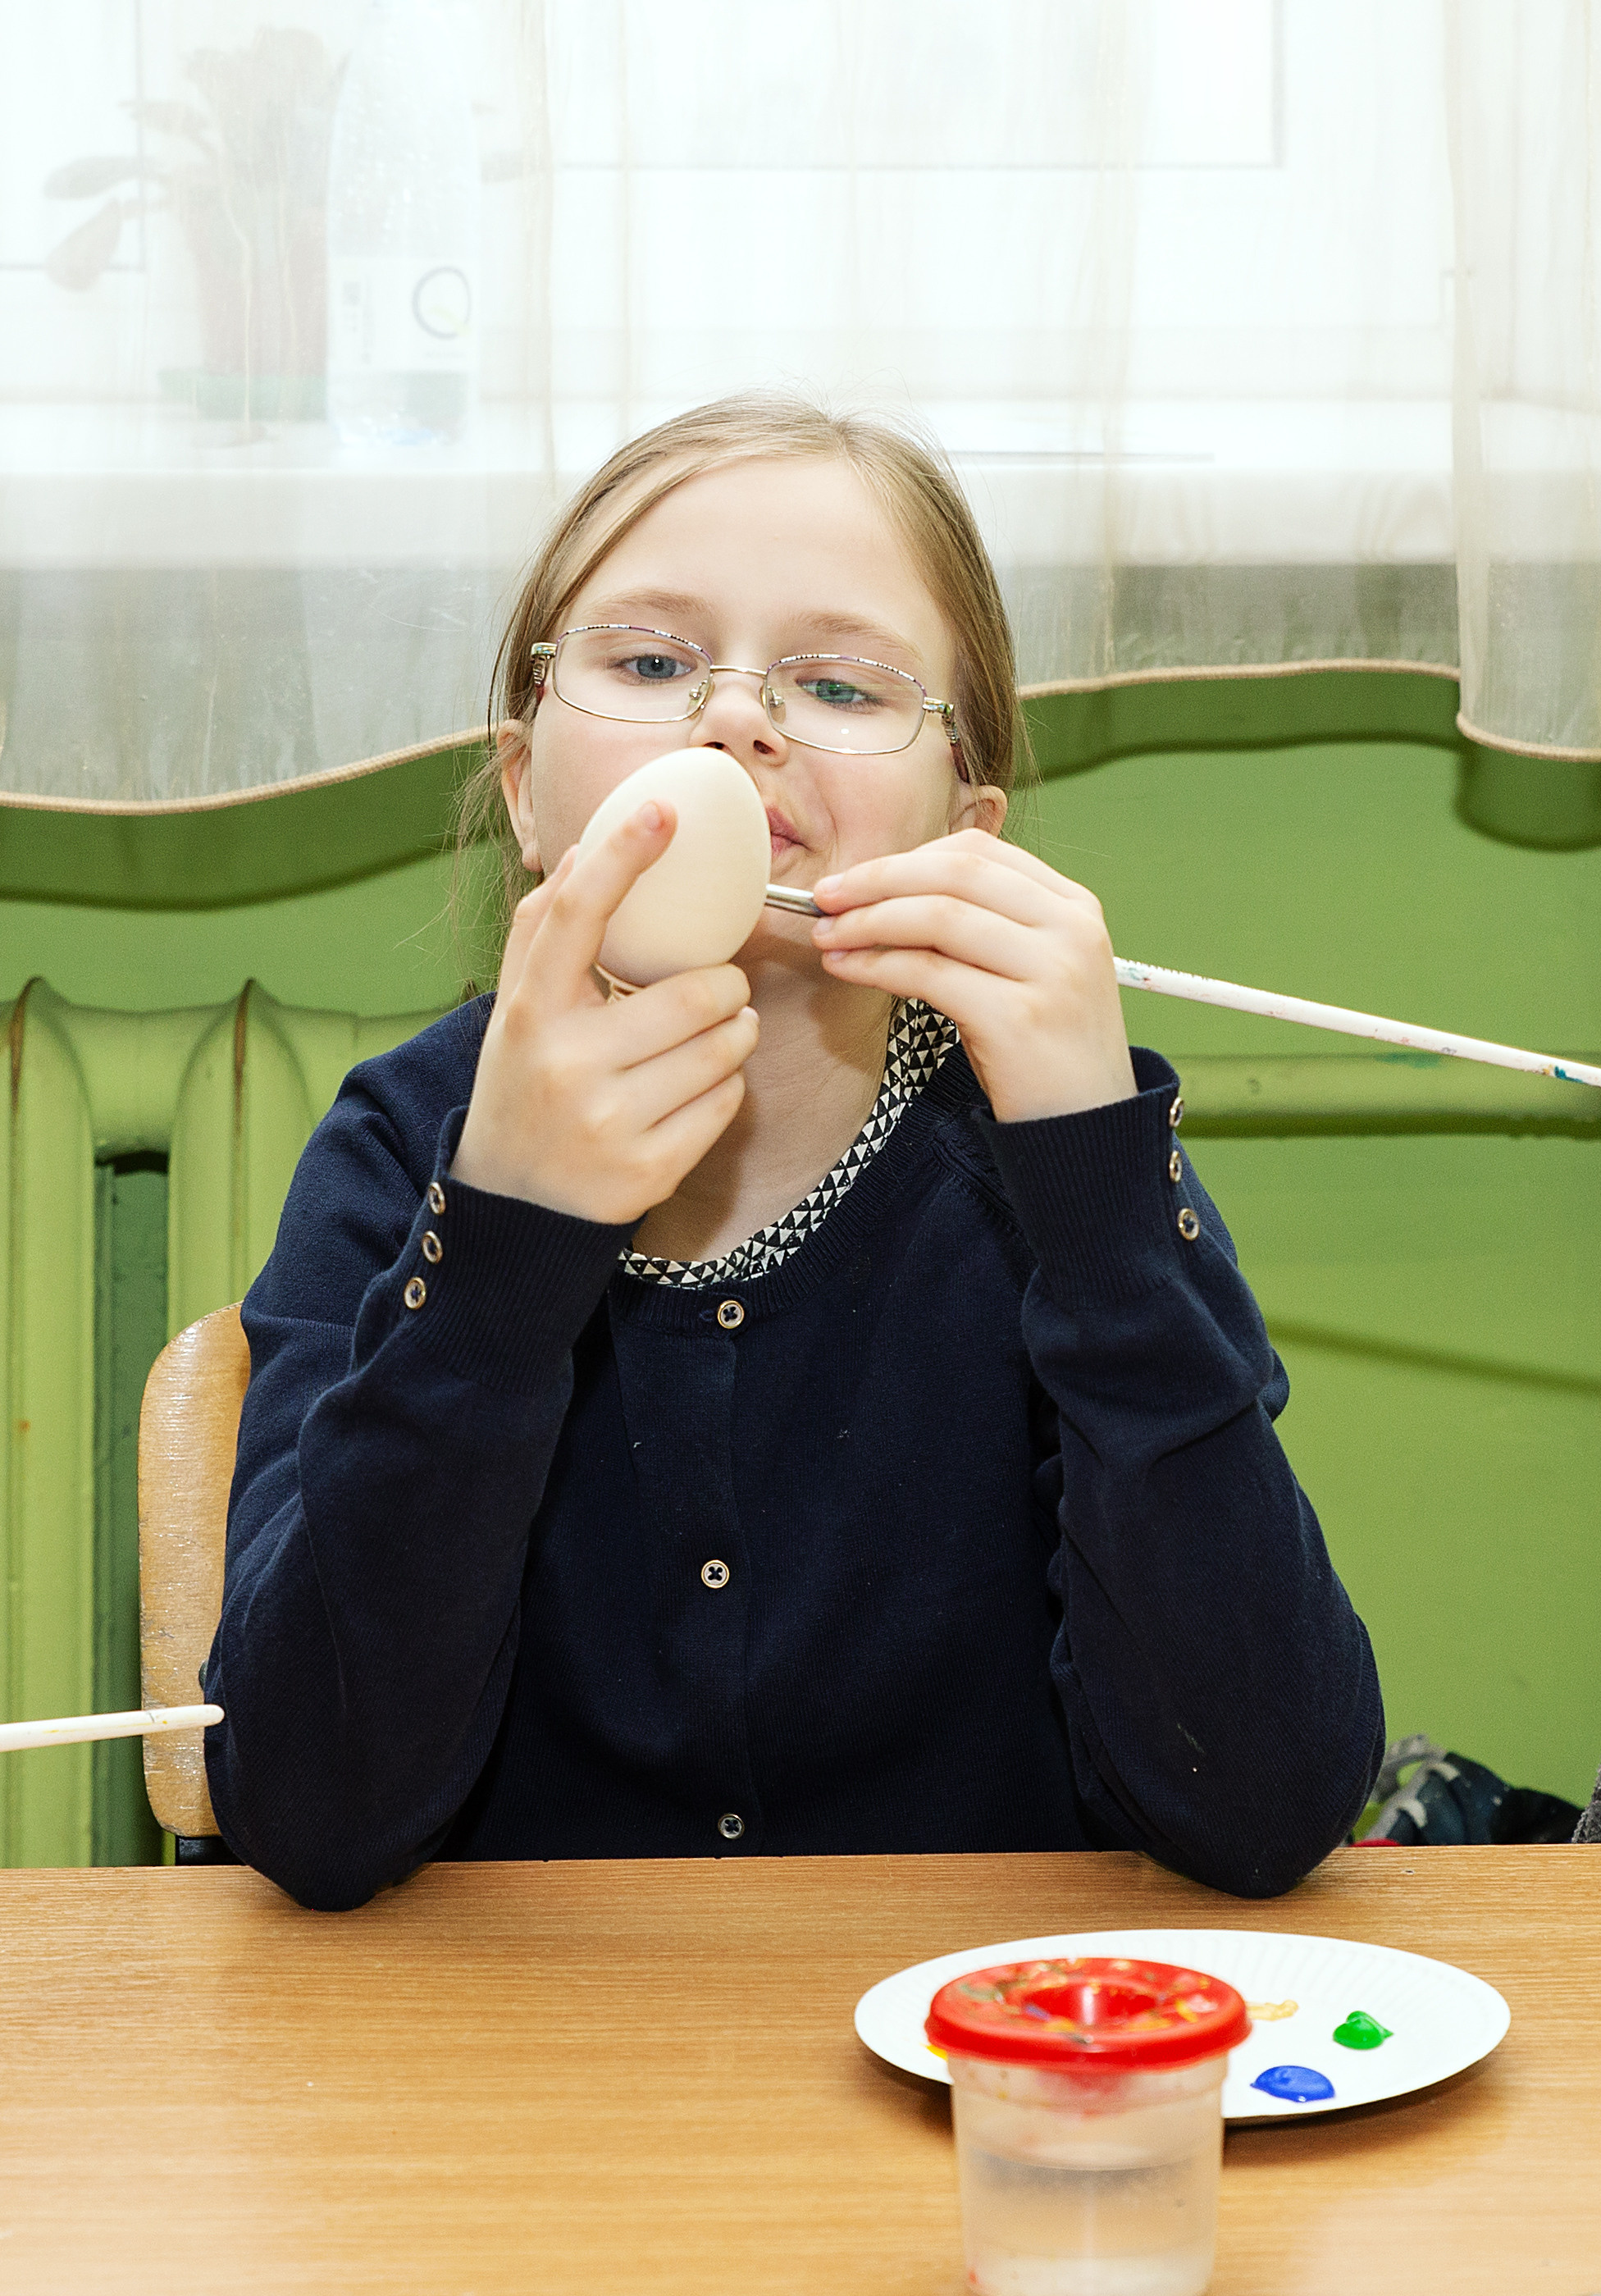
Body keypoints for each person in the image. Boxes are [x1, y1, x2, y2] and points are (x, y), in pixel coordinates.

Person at [205, 395, 1384, 1910]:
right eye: (649, 663)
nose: (735, 720)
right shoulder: (406, 1149)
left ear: (967, 829)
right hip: (523, 2040)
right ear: (524, 790)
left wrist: (1098, 1191)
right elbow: (310, 1814)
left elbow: (1265, 1806)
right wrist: (505, 1246)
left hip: (971, 2025)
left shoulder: (1042, 1164)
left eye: (838, 683)